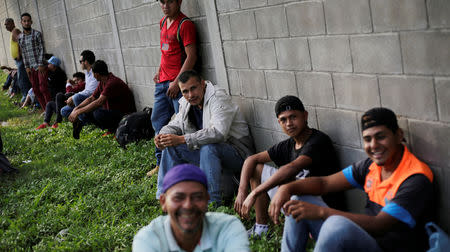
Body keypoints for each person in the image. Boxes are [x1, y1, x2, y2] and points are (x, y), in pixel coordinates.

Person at [269, 107, 434, 252]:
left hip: (386, 247)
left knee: (336, 225)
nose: (374, 145)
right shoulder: (371, 165)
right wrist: (287, 188)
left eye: (381, 136)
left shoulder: (415, 178)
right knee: (299, 198)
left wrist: (322, 212)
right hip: (362, 239)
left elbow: (379, 225)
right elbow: (324, 183)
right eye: (368, 139)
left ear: (398, 135)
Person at [234, 95, 343, 237]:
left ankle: (300, 229)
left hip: (320, 207)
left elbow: (291, 168)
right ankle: (261, 228)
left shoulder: (318, 141)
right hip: (295, 199)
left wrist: (255, 192)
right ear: (279, 122)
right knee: (256, 169)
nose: (289, 123)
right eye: (283, 119)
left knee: (285, 176)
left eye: (293, 117)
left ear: (305, 116)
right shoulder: (289, 144)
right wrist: (242, 190)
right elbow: (251, 159)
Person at [155, 70, 254, 204]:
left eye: (193, 88)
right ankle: (165, 195)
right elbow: (176, 123)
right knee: (172, 145)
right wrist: (163, 136)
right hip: (208, 155)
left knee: (208, 148)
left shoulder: (218, 98)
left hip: (237, 154)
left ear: (202, 84)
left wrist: (182, 139)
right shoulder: (186, 102)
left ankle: (211, 203)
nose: (190, 95)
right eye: (185, 91)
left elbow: (218, 133)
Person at [133, 164, 250, 252]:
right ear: (163, 202)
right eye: (178, 198)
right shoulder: (148, 239)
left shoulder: (228, 227)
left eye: (197, 197)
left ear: (207, 199)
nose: (188, 205)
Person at [148, 0, 198, 177]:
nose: (165, 5)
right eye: (163, 2)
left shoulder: (185, 24)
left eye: (170, 1)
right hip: (162, 83)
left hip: (178, 86)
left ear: (179, 2)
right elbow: (165, 51)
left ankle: (185, 164)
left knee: (182, 124)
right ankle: (161, 164)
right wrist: (159, 70)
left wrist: (177, 83)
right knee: (158, 123)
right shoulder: (162, 22)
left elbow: (191, 57)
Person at [68, 60, 136, 139]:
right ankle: (109, 129)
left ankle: (114, 130)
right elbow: (91, 98)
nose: (93, 76)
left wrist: (78, 112)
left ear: (97, 74)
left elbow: (99, 102)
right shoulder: (103, 81)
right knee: (89, 111)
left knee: (98, 113)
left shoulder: (112, 82)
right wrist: (76, 109)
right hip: (113, 112)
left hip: (125, 115)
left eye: (93, 73)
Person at [17, 13, 50, 112]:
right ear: (21, 22)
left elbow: (42, 49)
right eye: (24, 21)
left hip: (40, 66)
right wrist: (26, 66)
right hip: (30, 68)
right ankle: (45, 110)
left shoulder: (37, 34)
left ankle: (49, 109)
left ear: (31, 22)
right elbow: (24, 53)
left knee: (43, 88)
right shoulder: (20, 37)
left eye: (28, 21)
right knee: (35, 89)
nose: (26, 23)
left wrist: (40, 64)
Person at [61, 50, 98, 120]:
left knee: (76, 97)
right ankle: (78, 117)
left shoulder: (94, 72)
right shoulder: (87, 73)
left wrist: (73, 97)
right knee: (63, 111)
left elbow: (90, 92)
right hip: (87, 98)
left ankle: (86, 123)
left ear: (86, 62)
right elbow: (86, 90)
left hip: (93, 98)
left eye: (80, 61)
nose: (80, 63)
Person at [4, 18, 31, 103]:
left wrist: (19, 54)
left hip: (21, 60)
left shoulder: (15, 31)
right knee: (21, 78)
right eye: (5, 25)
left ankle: (26, 98)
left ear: (12, 23)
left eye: (7, 24)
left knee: (22, 79)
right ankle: (26, 97)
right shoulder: (13, 31)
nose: (6, 26)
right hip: (18, 60)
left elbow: (21, 42)